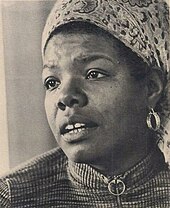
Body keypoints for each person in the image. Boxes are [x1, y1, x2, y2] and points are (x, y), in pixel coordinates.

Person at [0, 0, 170, 207]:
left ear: (151, 87)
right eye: (52, 82)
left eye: (94, 73)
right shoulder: (14, 197)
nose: (66, 96)